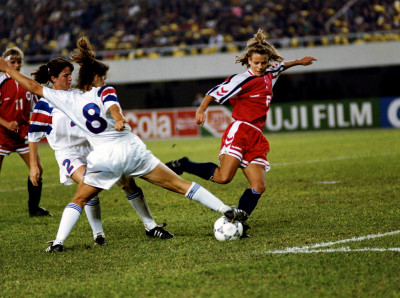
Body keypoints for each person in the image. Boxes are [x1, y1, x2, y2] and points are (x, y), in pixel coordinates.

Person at [0, 37, 247, 253]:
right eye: (102, 77)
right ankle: (225, 208)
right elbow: (111, 104)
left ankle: (58, 241)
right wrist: (118, 118)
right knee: (181, 185)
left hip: (103, 158)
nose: (104, 80)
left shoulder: (66, 99)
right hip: (132, 151)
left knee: (79, 199)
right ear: (96, 78)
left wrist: (5, 68)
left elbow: (31, 86)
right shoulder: (102, 90)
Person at [166, 29, 316, 237]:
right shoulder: (241, 80)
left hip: (256, 136)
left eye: (263, 63)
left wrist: (299, 61)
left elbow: (281, 66)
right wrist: (201, 110)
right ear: (248, 61)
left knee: (258, 186)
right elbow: (213, 92)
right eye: (256, 63)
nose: (260, 66)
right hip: (240, 130)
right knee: (223, 177)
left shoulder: (270, 73)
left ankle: (238, 221)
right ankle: (185, 164)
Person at [28, 58, 173, 246]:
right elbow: (33, 136)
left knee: (128, 182)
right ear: (53, 78)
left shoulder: (77, 95)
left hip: (92, 147)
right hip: (68, 154)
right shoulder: (45, 104)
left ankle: (151, 226)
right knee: (88, 189)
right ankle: (98, 235)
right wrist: (33, 165)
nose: (70, 79)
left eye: (71, 74)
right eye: (65, 75)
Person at [0, 46, 51, 217]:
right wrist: (6, 123)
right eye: (12, 62)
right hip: (2, 135)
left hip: (22, 134)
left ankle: (34, 209)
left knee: (38, 169)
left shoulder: (26, 83)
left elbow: (36, 107)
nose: (16, 65)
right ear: (5, 63)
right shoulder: (1, 82)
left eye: (18, 62)